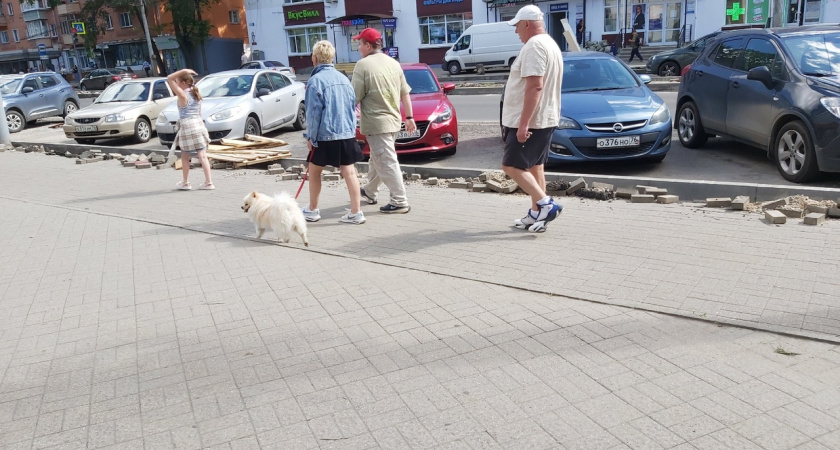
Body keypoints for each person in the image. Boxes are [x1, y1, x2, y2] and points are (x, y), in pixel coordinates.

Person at [500, 5, 563, 233]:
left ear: (527, 23)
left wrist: (523, 124)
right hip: (545, 118)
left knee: (511, 165)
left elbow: (535, 86)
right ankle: (537, 213)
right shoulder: (550, 43)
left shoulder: (534, 46)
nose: (516, 31)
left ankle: (547, 204)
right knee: (536, 167)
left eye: (517, 26)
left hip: (530, 121)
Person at [301, 40, 366, 225]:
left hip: (325, 134)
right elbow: (352, 107)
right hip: (346, 132)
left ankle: (312, 210)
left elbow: (313, 113)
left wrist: (310, 137)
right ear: (331, 57)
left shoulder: (315, 81)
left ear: (314, 58)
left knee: (314, 171)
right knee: (350, 172)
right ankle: (356, 212)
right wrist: (352, 130)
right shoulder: (344, 79)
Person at [351, 28, 414, 214]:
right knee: (377, 159)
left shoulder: (362, 65)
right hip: (394, 121)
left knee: (386, 161)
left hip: (376, 124)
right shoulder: (394, 63)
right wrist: (409, 117)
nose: (358, 47)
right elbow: (405, 93)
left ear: (368, 45)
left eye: (360, 43)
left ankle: (400, 201)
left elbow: (354, 97)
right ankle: (370, 192)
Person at [167, 68, 214, 191]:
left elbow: (169, 78)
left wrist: (183, 70)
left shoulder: (183, 95)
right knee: (202, 155)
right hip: (199, 124)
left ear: (183, 83)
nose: (176, 84)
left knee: (184, 156)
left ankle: (186, 183)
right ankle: (209, 182)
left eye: (178, 82)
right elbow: (199, 113)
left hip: (187, 126)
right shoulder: (196, 95)